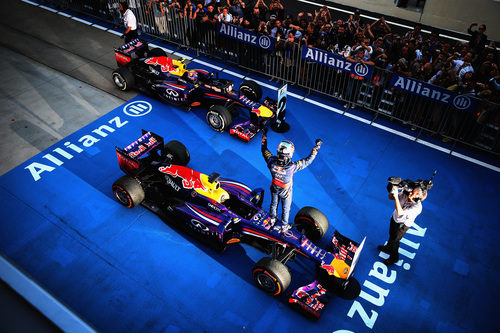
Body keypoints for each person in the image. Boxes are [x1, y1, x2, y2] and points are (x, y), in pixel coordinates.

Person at [261, 128, 322, 230]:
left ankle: (272, 219)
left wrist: (264, 134)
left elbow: (264, 150)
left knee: (273, 203)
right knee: (286, 209)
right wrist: (316, 148)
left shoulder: (271, 162)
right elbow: (308, 161)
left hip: (274, 188)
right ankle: (284, 225)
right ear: (290, 154)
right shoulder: (292, 166)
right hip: (286, 192)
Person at [379, 185, 427, 265]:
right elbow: (391, 197)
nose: (410, 193)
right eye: (412, 191)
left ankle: (394, 258)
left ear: (417, 198)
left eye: (413, 193)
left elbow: (400, 212)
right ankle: (388, 248)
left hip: (403, 225)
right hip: (394, 218)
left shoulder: (417, 208)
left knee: (395, 240)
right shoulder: (406, 192)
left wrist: (396, 198)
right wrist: (393, 191)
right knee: (391, 235)